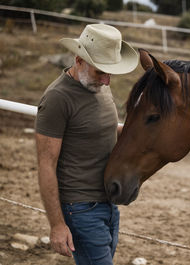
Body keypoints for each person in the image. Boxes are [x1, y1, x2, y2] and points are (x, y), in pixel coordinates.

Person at [35, 24, 138, 264]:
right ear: (79, 59)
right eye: (100, 72)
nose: (107, 81)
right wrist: (57, 225)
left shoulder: (98, 85)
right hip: (80, 209)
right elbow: (46, 165)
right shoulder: (57, 99)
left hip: (109, 206)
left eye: (110, 73)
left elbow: (99, 131)